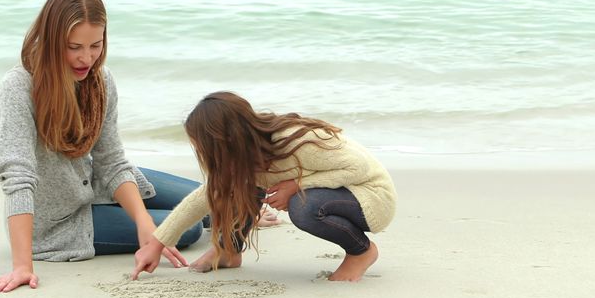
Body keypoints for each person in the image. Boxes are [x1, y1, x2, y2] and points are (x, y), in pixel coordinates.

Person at [0, 0, 203, 293]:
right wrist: (22, 265)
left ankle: (248, 211)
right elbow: (17, 175)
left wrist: (143, 223)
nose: (86, 58)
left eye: (95, 45)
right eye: (74, 47)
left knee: (203, 198)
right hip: (61, 221)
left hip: (95, 183)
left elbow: (111, 161)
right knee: (190, 226)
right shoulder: (18, 87)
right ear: (51, 39)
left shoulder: (101, 80)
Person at [132, 92, 397, 282]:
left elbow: (358, 169)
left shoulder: (296, 141)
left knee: (303, 206)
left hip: (371, 197)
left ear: (224, 140)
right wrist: (156, 244)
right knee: (239, 185)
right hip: (341, 192)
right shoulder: (245, 157)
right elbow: (204, 197)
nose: (202, 153)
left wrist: (296, 185)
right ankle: (228, 251)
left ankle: (361, 251)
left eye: (203, 146)